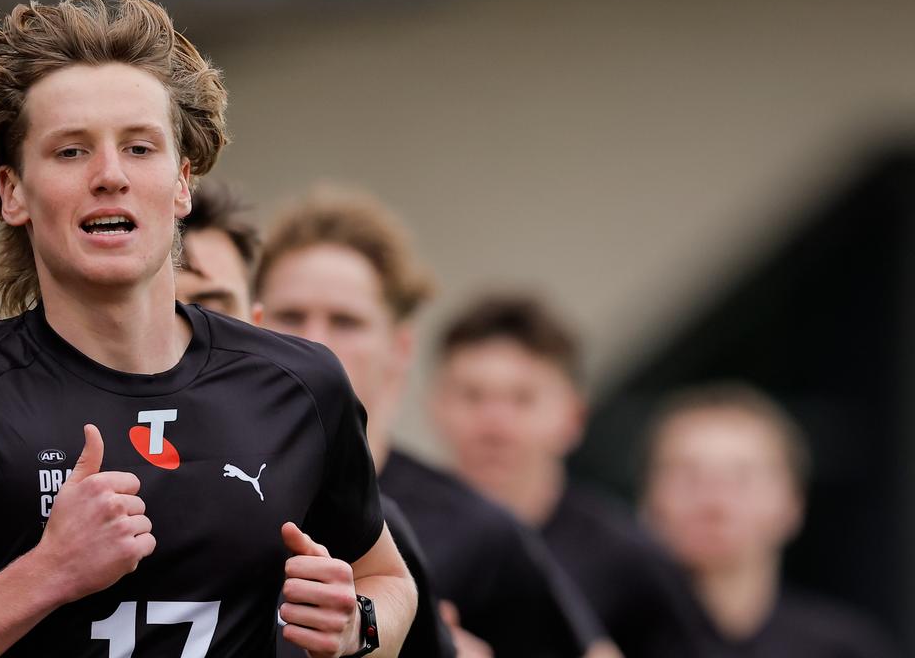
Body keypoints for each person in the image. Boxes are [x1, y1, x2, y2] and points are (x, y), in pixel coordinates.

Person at [0, 0, 415, 658]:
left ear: (181, 185)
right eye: (71, 151)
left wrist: (358, 625)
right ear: (13, 191)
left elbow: (387, 579)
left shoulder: (301, 384)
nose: (109, 175)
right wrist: (45, 576)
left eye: (140, 147)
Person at [254, 186, 604, 658]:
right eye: (291, 315)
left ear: (399, 348)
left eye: (346, 321)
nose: (315, 343)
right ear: (251, 326)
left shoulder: (478, 530)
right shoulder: (204, 488)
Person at [175, 180, 457, 658]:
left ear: (255, 327)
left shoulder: (362, 527)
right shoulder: (49, 478)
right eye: (166, 310)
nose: (185, 334)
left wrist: (361, 630)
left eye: (213, 310)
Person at [427, 293, 698, 658]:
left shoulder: (629, 559)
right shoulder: (388, 534)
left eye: (523, 399)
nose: (494, 424)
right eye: (472, 396)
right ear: (436, 406)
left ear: (574, 417)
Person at [642, 383, 903, 658]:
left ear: (793, 505)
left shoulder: (846, 649)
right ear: (648, 500)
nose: (713, 503)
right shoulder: (607, 638)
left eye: (742, 478)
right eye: (688, 476)